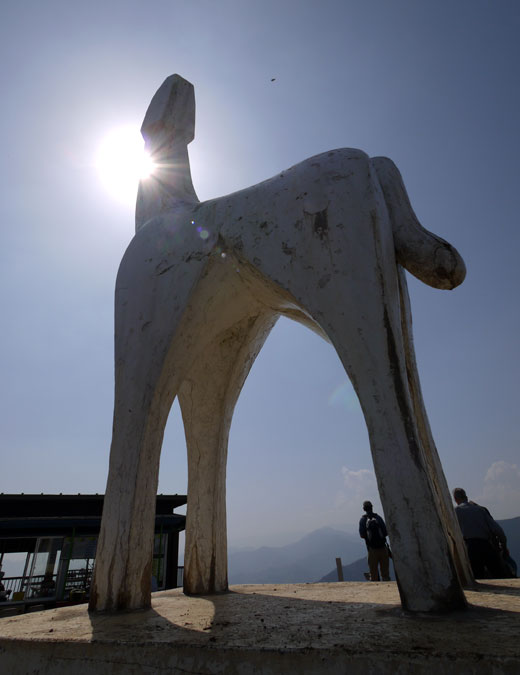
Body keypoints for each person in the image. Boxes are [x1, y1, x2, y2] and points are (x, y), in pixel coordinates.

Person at [453, 487, 510, 579]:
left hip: (470, 547)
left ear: (455, 499)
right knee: (500, 575)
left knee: (477, 578)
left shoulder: (456, 512)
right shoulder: (480, 510)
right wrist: (504, 546)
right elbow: (498, 530)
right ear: (466, 497)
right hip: (486, 545)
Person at [359, 500, 390, 581]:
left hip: (372, 550)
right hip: (383, 548)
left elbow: (362, 535)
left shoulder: (363, 520)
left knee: (374, 575)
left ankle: (377, 591)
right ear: (372, 507)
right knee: (385, 574)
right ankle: (388, 590)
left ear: (364, 509)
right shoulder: (378, 518)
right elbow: (385, 532)